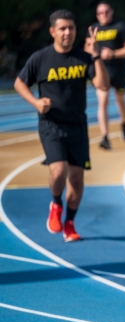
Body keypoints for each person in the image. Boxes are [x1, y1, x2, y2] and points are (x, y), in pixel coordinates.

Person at [14, 9, 109, 242]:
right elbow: (19, 83)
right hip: (51, 124)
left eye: (71, 28)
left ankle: (69, 223)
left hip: (77, 125)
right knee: (59, 170)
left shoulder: (83, 57)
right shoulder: (40, 58)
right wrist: (36, 102)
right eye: (63, 29)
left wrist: (96, 56)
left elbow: (103, 85)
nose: (68, 32)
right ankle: (56, 204)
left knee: (76, 179)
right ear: (53, 31)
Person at [90, 1, 125, 149]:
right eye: (100, 13)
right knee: (103, 101)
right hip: (101, 70)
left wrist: (113, 54)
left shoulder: (120, 27)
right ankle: (105, 137)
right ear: (97, 14)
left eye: (106, 11)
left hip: (119, 69)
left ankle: (124, 122)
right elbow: (86, 47)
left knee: (120, 100)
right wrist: (95, 52)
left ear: (111, 11)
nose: (104, 15)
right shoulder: (94, 28)